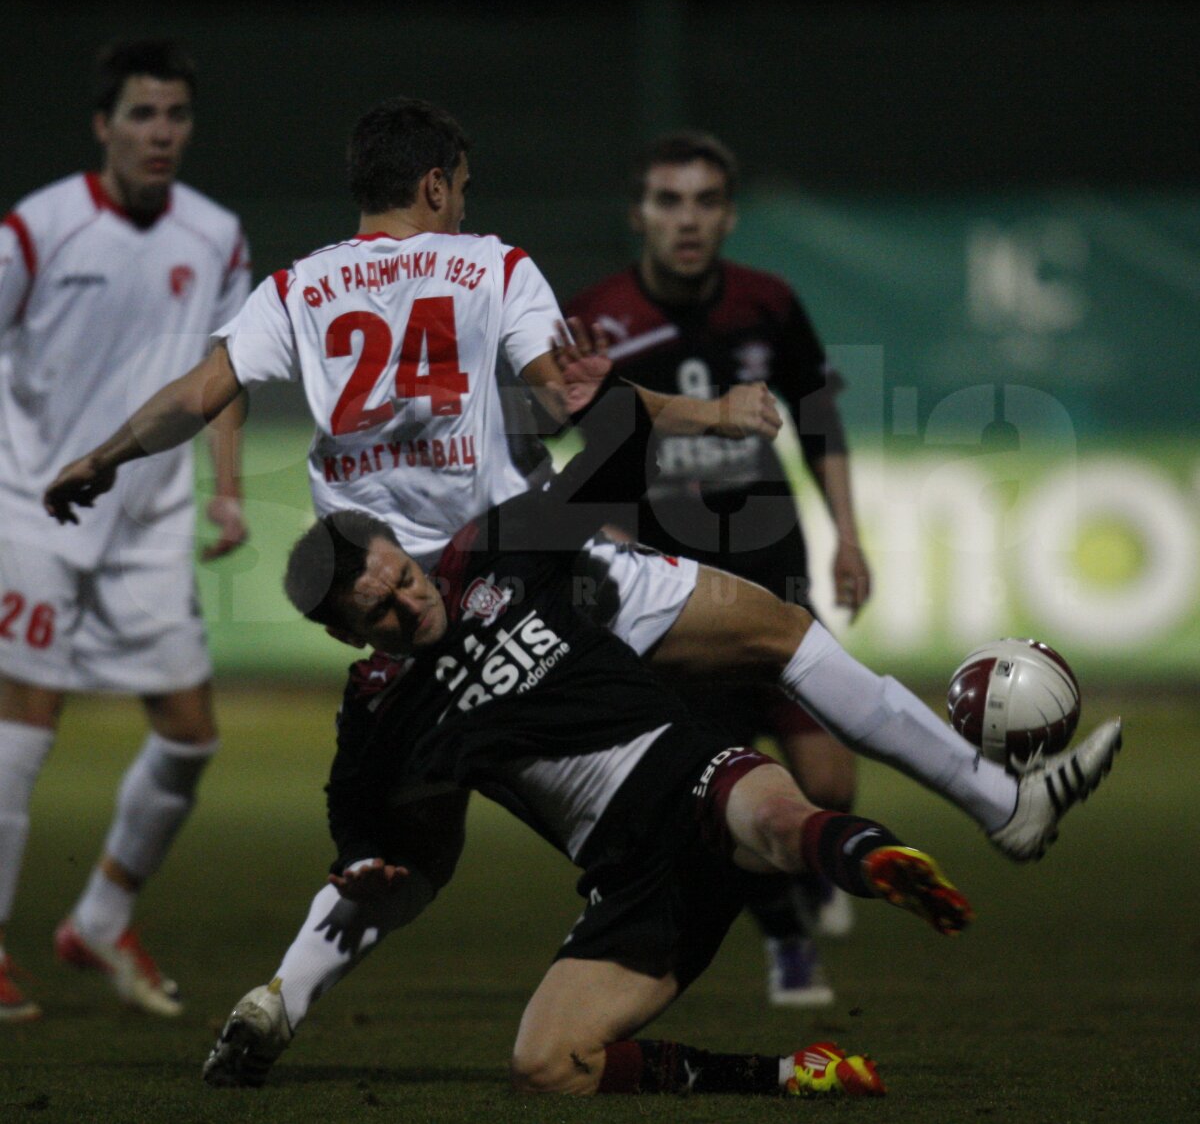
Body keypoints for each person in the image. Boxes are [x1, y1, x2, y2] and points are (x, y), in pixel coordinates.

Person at [43, 94, 1122, 1066]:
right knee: (781, 634)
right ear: (434, 184)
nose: (466, 201)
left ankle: (281, 997)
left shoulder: (297, 287)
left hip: (399, 612)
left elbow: (196, 392)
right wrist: (707, 413)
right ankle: (998, 803)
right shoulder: (488, 265)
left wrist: (101, 455)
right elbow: (568, 398)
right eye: (460, 185)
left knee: (408, 843)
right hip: (533, 561)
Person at [206, 374, 976, 1098]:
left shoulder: (498, 546)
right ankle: (789, 1073)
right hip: (630, 877)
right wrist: (364, 863)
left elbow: (622, 452)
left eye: (404, 577)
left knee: (773, 817)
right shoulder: (382, 710)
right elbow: (357, 816)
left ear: (407, 553)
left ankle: (870, 855)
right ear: (348, 634)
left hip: (690, 769)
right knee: (547, 1065)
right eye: (381, 612)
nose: (410, 604)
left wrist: (594, 398)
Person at [567, 130, 867, 1004]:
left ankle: (796, 883)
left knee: (828, 780)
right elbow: (563, 442)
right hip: (672, 594)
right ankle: (786, 939)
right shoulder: (598, 317)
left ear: (729, 215)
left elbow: (820, 423)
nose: (686, 219)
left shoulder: (770, 303)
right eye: (668, 201)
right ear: (639, 214)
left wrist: (849, 534)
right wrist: (599, 530)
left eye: (704, 201)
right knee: (724, 780)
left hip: (775, 569)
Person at [0, 39, 250, 1022]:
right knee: (26, 722)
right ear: (103, 125)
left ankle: (100, 916)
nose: (161, 134)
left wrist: (228, 493)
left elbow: (226, 371)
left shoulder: (217, 235)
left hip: (149, 516)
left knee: (190, 736)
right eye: (143, 115)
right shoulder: (35, 230)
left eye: (177, 115)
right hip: (33, 502)